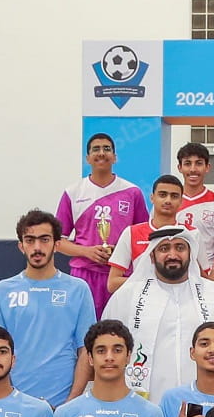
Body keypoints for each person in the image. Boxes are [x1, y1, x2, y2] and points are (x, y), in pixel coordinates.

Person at [100, 225, 214, 402]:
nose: (172, 255)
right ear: (151, 255)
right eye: (164, 248)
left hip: (208, 406)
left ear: (191, 254)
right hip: (145, 406)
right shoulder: (127, 297)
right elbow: (106, 350)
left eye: (180, 248)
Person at [0, 208, 95, 409]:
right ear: (21, 246)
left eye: (44, 239)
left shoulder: (78, 289)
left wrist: (71, 403)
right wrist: (7, 399)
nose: (37, 247)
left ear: (57, 245)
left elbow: (85, 350)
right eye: (30, 240)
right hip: (15, 404)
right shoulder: (3, 290)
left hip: (62, 405)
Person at [55, 132, 146, 314]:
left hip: (120, 274)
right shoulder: (73, 192)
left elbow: (142, 237)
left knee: (120, 329)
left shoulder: (132, 192)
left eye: (107, 149)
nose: (101, 153)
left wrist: (120, 251)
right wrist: (87, 251)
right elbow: (58, 241)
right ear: (88, 158)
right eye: (96, 149)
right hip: (84, 274)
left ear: (115, 157)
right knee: (85, 330)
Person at [107, 174, 187, 293]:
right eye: (162, 195)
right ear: (152, 198)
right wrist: (154, 283)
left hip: (182, 304)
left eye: (174, 196)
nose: (168, 200)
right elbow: (112, 284)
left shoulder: (191, 233)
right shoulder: (131, 233)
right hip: (142, 305)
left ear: (181, 201)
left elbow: (201, 279)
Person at [172, 142, 214, 276]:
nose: (193, 169)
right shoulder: (169, 203)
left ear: (207, 167)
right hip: (174, 273)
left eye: (199, 163)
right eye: (188, 163)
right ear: (179, 167)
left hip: (207, 276)